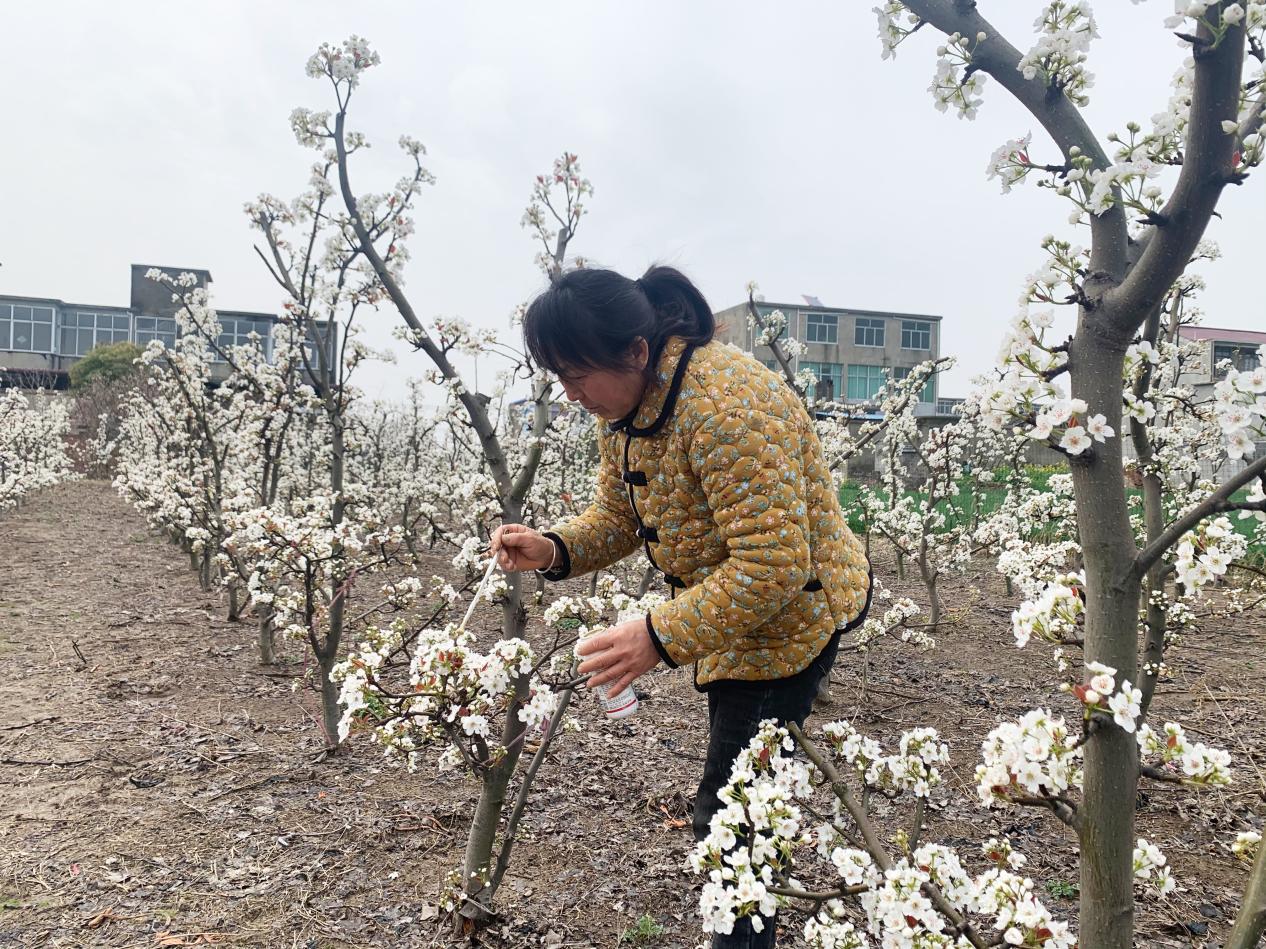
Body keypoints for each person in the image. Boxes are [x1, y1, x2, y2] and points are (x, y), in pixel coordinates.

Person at [490, 264, 872, 948]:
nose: (570, 393)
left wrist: (656, 637)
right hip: (735, 614)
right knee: (739, 803)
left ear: (634, 351)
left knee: (734, 818)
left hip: (791, 618)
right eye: (559, 377)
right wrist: (550, 548)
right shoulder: (626, 410)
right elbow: (617, 514)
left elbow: (775, 564)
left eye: (576, 374)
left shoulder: (726, 405)